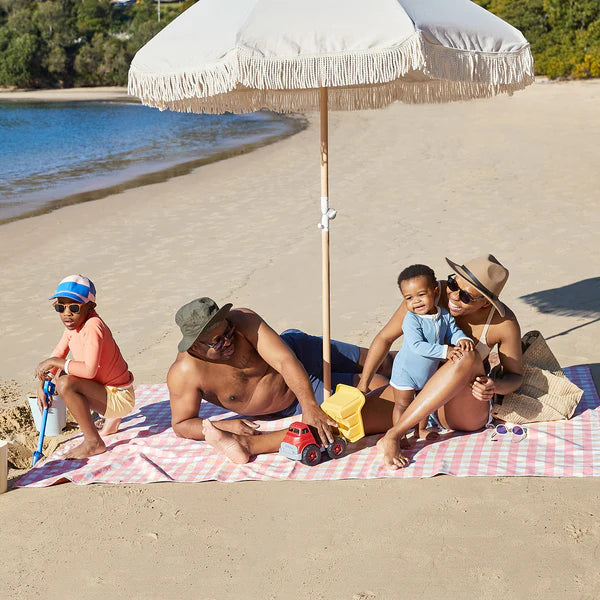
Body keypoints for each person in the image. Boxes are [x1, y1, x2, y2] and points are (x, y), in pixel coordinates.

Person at [166, 297, 396, 463]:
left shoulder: (243, 320)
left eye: (229, 333)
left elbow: (285, 361)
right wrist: (222, 425)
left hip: (302, 353)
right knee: (379, 386)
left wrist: (310, 406)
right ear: (195, 345)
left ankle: (428, 361)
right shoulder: (184, 373)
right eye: (217, 342)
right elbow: (181, 424)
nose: (228, 342)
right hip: (290, 399)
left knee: (384, 362)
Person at [356, 254, 524, 469]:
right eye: (453, 283)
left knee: (467, 355)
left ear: (485, 303)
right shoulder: (428, 293)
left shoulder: (503, 323)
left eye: (466, 297)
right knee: (354, 422)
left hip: (462, 407)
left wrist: (495, 386)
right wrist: (363, 385)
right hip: (420, 393)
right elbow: (385, 338)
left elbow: (516, 377)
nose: (453, 296)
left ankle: (393, 436)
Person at [34, 275, 135, 459]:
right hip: (108, 391)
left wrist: (54, 363)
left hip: (120, 397)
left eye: (74, 307)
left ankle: (93, 442)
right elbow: (58, 354)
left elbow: (88, 370)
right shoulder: (72, 328)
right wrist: (41, 384)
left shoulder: (93, 326)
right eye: (60, 307)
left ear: (90, 307)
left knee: (65, 383)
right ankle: (111, 420)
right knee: (62, 372)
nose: (66, 313)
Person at [391, 264, 474, 442]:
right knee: (402, 405)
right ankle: (400, 435)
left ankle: (420, 431)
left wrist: (461, 339)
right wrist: (446, 351)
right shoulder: (411, 319)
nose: (416, 301)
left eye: (421, 295)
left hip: (427, 372)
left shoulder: (444, 315)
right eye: (409, 298)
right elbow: (416, 345)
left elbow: (453, 332)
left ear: (435, 292)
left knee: (423, 403)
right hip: (405, 371)